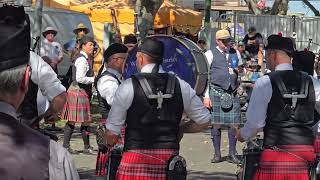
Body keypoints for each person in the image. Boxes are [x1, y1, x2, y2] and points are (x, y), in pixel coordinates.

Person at [105, 38, 211, 179]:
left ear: (141, 58)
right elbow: (204, 120)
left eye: (136, 58)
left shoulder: (127, 86)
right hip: (168, 164)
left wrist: (107, 141)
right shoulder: (181, 85)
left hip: (135, 162)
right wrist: (181, 128)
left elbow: (112, 135)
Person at [0, 5, 79, 179]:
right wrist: (47, 115)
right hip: (28, 137)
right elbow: (59, 97)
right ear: (25, 79)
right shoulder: (54, 156)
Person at [236, 34, 320, 180]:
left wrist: (241, 135)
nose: (266, 61)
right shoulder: (313, 82)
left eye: (267, 56)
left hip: (276, 157)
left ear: (273, 54)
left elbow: (255, 124)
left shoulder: (264, 83)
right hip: (306, 155)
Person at [203, 29, 242, 164]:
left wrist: (239, 79)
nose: (227, 44)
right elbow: (205, 76)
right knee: (216, 124)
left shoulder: (235, 53)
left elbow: (240, 70)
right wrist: (206, 96)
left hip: (233, 92)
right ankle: (217, 154)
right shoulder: (209, 54)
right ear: (217, 41)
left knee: (234, 124)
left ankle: (232, 153)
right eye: (224, 41)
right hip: (216, 91)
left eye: (228, 40)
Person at [95, 43, 128, 176]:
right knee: (113, 170)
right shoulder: (107, 80)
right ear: (115, 60)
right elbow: (116, 102)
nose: (128, 63)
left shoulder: (118, 77)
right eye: (125, 59)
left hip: (119, 128)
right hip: (113, 130)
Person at [61, 35, 95, 154]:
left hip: (80, 91)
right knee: (72, 121)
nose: (92, 47)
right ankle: (65, 146)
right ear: (83, 46)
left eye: (93, 44)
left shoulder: (85, 58)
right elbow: (79, 78)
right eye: (90, 45)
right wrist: (93, 80)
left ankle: (86, 147)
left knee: (85, 121)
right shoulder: (81, 59)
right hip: (77, 91)